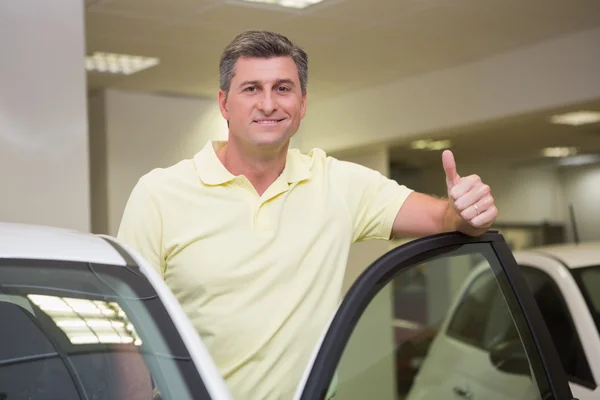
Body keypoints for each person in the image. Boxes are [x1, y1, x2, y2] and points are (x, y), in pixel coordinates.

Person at [117, 30, 498, 399]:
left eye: (283, 88)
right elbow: (125, 331)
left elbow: (446, 220)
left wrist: (467, 211)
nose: (268, 104)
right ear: (223, 104)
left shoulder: (339, 184)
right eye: (251, 89)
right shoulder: (159, 194)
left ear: (302, 104)